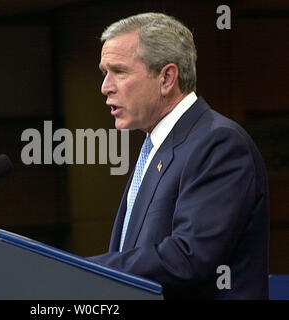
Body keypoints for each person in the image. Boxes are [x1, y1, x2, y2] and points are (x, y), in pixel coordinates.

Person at [89, 12, 269, 299]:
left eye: (119, 72)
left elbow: (188, 257)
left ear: (167, 78)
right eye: (104, 72)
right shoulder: (157, 146)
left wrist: (84, 269)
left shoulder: (219, 143)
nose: (105, 87)